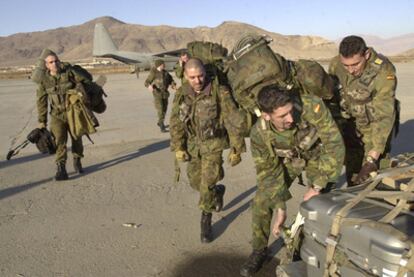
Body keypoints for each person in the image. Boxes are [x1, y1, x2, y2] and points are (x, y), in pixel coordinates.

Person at [240, 86, 344, 276]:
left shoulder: (311, 107)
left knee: (317, 206)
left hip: (318, 158)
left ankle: (308, 250)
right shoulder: (259, 134)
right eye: (283, 116)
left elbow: (335, 145)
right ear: (266, 115)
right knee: (262, 201)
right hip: (290, 162)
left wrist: (317, 185)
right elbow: (268, 171)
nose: (291, 118)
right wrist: (280, 205)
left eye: (291, 111)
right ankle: (259, 249)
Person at [170, 58, 246, 243]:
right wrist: (178, 147)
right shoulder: (182, 93)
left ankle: (206, 221)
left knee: (205, 185)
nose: (198, 80)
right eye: (193, 77)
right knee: (196, 182)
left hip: (214, 145)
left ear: (205, 73)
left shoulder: (219, 92)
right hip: (193, 146)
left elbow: (233, 120)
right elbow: (176, 122)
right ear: (186, 76)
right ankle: (217, 191)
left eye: (201, 75)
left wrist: (237, 148)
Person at [329, 35, 398, 186]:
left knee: (373, 179)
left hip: (374, 129)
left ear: (366, 55)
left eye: (355, 64)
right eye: (346, 65)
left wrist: (373, 156)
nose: (350, 70)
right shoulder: (336, 64)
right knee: (354, 177)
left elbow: (385, 114)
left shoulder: (383, 71)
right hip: (351, 129)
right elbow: (332, 97)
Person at [36, 50, 92, 181]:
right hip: (57, 115)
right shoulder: (44, 81)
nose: (54, 64)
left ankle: (77, 160)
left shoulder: (69, 73)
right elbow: (41, 101)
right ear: (46, 65)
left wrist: (73, 70)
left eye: (56, 61)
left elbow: (87, 79)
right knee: (59, 140)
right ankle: (61, 168)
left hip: (73, 112)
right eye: (51, 62)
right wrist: (42, 121)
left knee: (76, 137)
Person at [144, 59, 176, 132]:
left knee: (164, 109)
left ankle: (160, 121)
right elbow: (146, 82)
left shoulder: (165, 73)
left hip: (165, 93)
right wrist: (149, 86)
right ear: (159, 65)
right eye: (162, 64)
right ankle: (162, 125)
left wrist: (173, 85)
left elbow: (171, 80)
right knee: (160, 109)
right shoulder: (154, 73)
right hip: (157, 93)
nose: (164, 65)